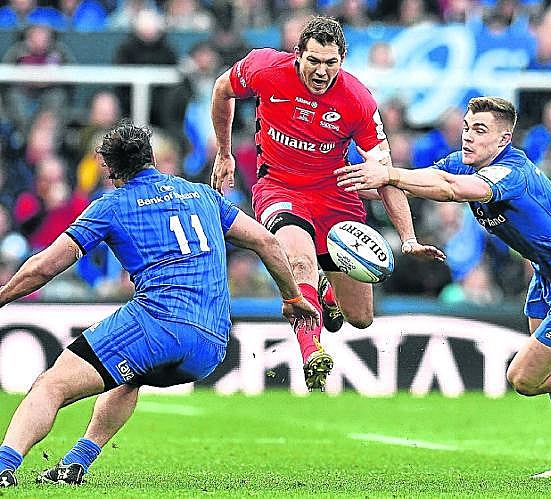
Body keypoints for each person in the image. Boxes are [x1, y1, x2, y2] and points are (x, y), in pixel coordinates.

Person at [0, 121, 319, 488]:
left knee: (51, 385)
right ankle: (75, 463)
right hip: (212, 342)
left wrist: (4, 295)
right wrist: (292, 296)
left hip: (158, 324)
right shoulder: (203, 194)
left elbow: (45, 266)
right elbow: (266, 241)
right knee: (129, 376)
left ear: (110, 170)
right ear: (151, 157)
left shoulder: (111, 205)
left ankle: (3, 465)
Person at [335, 96, 551, 479]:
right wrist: (346, 179)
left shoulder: (511, 174)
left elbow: (450, 188)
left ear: (503, 139)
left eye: (480, 130)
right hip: (549, 275)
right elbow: (418, 182)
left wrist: (388, 174)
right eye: (467, 127)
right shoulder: (465, 162)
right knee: (550, 370)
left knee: (526, 378)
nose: (468, 136)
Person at [210, 15, 444, 390]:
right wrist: (224, 153)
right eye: (314, 61)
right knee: (300, 261)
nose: (321, 72)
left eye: (330, 63)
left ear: (342, 60)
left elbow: (385, 173)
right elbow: (222, 89)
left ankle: (327, 291)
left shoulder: (358, 100)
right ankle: (311, 350)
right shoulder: (264, 68)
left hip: (336, 198)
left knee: (361, 317)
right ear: (297, 54)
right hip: (279, 188)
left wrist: (409, 238)